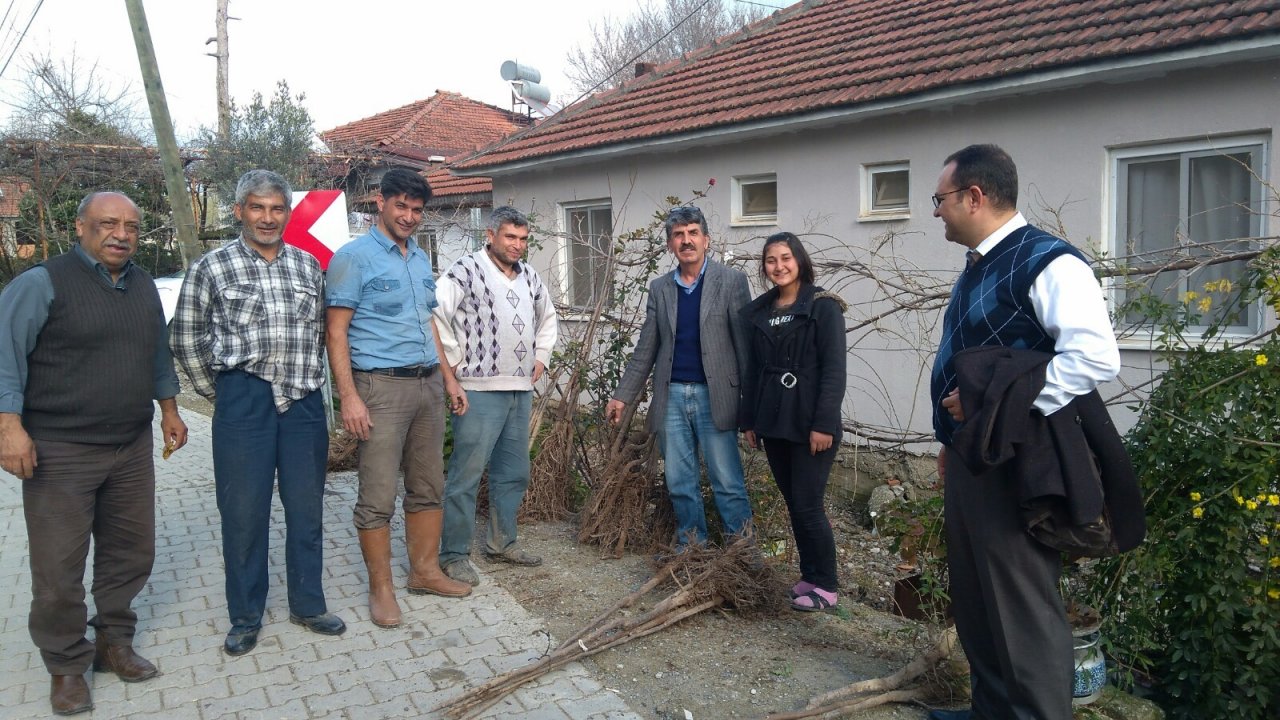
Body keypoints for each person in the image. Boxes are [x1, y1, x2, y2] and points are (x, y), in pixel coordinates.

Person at [928, 144, 1120, 720]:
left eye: (940, 199)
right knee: (978, 599)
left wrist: (995, 409)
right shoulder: (981, 264)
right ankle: (992, 711)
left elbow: (1093, 357)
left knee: (1021, 608)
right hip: (971, 455)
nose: (936, 211)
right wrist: (950, 442)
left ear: (975, 197)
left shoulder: (1048, 261)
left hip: (1017, 460)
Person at [0, 191, 188, 715]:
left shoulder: (143, 284)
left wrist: (170, 409)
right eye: (108, 223)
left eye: (130, 225)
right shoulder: (42, 284)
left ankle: (112, 642)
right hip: (60, 449)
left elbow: (157, 352)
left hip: (131, 445)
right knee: (59, 568)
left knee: (131, 552)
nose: (121, 234)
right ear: (81, 227)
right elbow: (5, 356)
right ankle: (65, 666)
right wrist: (7, 427)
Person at [170, 169, 345, 657]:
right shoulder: (212, 267)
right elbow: (184, 337)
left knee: (307, 508)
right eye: (257, 207)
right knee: (244, 513)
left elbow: (318, 333)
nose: (267, 218)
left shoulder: (309, 266)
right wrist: (222, 393)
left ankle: (308, 604)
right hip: (244, 401)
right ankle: (246, 615)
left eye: (276, 209)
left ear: (288, 213)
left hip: (303, 404)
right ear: (239, 211)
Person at [326, 168, 471, 628]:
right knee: (377, 492)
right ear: (380, 203)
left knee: (428, 484)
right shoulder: (353, 258)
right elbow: (336, 332)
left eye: (416, 209)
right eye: (401, 206)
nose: (409, 216)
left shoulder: (417, 260)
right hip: (380, 389)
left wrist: (448, 379)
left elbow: (428, 323)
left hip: (427, 385)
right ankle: (382, 589)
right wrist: (348, 397)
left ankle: (424, 572)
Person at [605, 205, 753, 548]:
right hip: (671, 396)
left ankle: (742, 554)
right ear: (671, 244)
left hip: (717, 397)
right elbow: (646, 347)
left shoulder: (731, 282)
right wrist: (622, 395)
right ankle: (691, 548)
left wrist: (751, 409)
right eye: (678, 235)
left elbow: (746, 349)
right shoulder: (661, 288)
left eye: (692, 233)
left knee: (727, 481)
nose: (686, 241)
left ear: (706, 240)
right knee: (680, 480)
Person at [433, 206, 558, 586]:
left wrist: (541, 355)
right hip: (478, 391)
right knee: (466, 474)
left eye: (523, 239)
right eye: (510, 237)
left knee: (512, 473)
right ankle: (453, 554)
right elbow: (435, 316)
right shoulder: (464, 271)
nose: (517, 245)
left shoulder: (531, 277)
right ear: (491, 234)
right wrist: (452, 371)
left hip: (519, 390)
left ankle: (503, 543)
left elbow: (547, 317)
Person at [739, 232, 846, 612]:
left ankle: (827, 586)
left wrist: (824, 424)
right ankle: (809, 576)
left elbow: (834, 370)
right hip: (773, 419)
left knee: (808, 503)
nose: (779, 266)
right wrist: (748, 419)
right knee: (794, 502)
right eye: (771, 260)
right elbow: (753, 370)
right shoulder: (759, 312)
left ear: (799, 260)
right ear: (764, 267)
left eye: (785, 258)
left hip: (810, 421)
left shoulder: (823, 307)